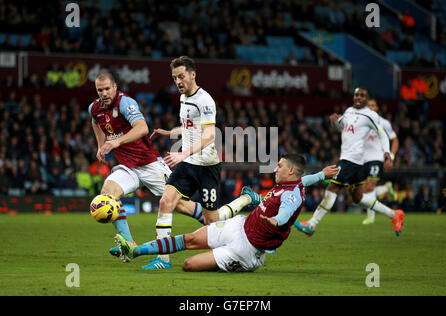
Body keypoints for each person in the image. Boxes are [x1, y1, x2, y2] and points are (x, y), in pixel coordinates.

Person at [114, 154, 339, 272]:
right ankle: (136, 250)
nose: (275, 168)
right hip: (240, 225)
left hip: (246, 251)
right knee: (190, 238)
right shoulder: (296, 183)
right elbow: (306, 179)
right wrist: (321, 174)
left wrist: (275, 220)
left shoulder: (291, 195)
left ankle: (236, 264)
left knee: (189, 265)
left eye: (279, 165)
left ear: (290, 170)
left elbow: (287, 211)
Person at [88, 71, 203, 267]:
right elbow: (95, 122)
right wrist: (101, 146)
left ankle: (218, 223)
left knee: (181, 205)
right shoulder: (95, 108)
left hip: (149, 164)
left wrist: (115, 143)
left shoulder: (125, 103)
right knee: (107, 195)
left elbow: (142, 128)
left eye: (107, 89)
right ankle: (128, 244)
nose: (104, 93)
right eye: (100, 90)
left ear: (115, 87)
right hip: (127, 167)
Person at [148, 56, 242, 268]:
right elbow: (191, 128)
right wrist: (170, 132)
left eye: (181, 76)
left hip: (207, 167)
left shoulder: (205, 100)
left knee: (212, 221)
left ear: (193, 74)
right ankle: (163, 259)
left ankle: (243, 203)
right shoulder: (182, 98)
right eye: (174, 78)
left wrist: (182, 153)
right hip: (188, 164)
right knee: (165, 202)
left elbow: (209, 135)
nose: (178, 81)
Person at [294, 87, 404, 237]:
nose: (358, 97)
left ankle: (312, 224)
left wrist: (387, 154)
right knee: (357, 198)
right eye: (356, 95)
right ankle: (394, 214)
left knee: (332, 189)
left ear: (366, 99)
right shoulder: (348, 111)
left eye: (362, 95)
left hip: (351, 160)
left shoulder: (370, 115)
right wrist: (334, 122)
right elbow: (342, 129)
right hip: (356, 161)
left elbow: (382, 134)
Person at [361, 98, 399, 224]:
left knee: (370, 185)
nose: (371, 107)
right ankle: (385, 188)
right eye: (369, 105)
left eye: (373, 105)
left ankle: (371, 216)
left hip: (376, 158)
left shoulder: (384, 123)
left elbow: (395, 140)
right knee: (363, 190)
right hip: (363, 159)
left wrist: (391, 157)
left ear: (377, 108)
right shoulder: (361, 121)